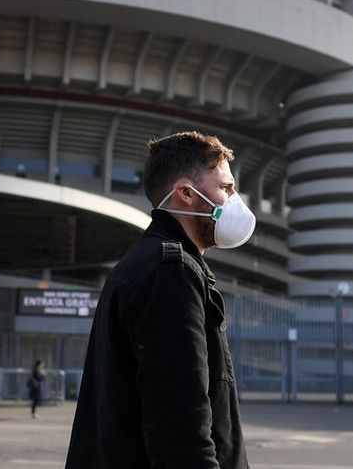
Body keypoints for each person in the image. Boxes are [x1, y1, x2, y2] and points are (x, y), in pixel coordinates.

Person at [65, 131, 253, 469]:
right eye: (225, 188)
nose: (234, 199)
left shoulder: (146, 263)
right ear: (185, 193)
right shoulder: (171, 272)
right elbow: (181, 422)